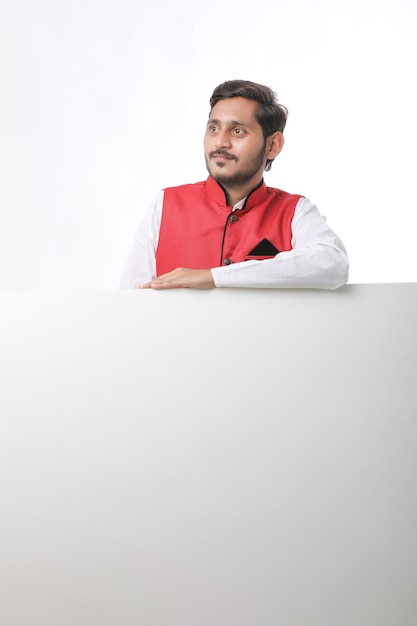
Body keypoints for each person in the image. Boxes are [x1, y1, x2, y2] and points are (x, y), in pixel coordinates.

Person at [120, 80, 348, 290]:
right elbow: (130, 300)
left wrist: (213, 277)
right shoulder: (166, 204)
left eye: (238, 131)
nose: (220, 142)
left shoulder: (295, 211)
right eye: (214, 128)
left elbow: (332, 263)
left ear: (273, 145)